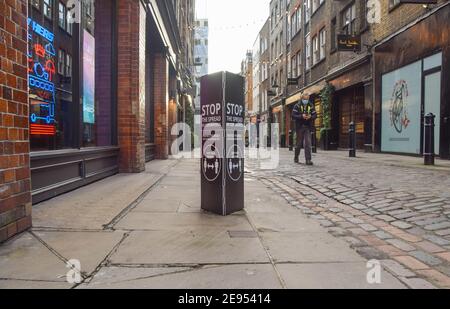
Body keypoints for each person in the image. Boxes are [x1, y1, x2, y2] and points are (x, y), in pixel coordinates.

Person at [292, 93, 317, 165]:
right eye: (304, 99)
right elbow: (293, 115)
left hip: (307, 127)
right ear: (301, 99)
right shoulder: (297, 106)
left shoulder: (311, 105)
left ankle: (308, 160)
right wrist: (301, 116)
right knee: (298, 144)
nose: (306, 100)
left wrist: (310, 117)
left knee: (308, 143)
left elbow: (315, 115)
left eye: (307, 99)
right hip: (299, 127)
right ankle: (296, 156)